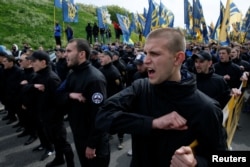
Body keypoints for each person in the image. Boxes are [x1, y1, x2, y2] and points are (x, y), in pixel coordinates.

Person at [96, 28, 227, 167]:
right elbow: (102, 117)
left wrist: (196, 163)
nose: (146, 61)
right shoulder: (140, 88)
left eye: (154, 54)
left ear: (178, 58)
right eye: (146, 53)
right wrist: (153, 123)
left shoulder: (206, 108)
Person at [58, 38, 110, 167]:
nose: (65, 55)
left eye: (69, 51)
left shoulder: (94, 79)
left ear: (81, 54)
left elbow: (100, 116)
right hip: (79, 136)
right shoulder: (72, 73)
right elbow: (58, 94)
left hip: (94, 144)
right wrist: (70, 95)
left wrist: (91, 145)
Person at [25, 51, 75, 166]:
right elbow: (24, 90)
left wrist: (55, 116)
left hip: (54, 119)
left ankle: (71, 164)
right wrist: (33, 87)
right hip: (44, 117)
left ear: (43, 62)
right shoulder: (37, 76)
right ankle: (59, 159)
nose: (31, 64)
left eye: (34, 61)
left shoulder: (51, 78)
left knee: (63, 144)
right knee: (54, 141)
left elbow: (61, 101)